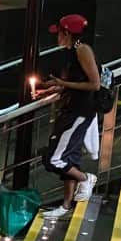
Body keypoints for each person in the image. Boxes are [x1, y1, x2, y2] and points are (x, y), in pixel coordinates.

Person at [40, 15, 102, 219]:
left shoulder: (82, 49)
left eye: (58, 33)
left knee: (55, 159)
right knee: (69, 158)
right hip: (73, 109)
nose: (56, 37)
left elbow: (94, 84)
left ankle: (86, 178)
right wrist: (52, 88)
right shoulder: (72, 51)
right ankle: (66, 206)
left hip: (79, 112)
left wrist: (63, 84)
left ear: (67, 33)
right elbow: (75, 82)